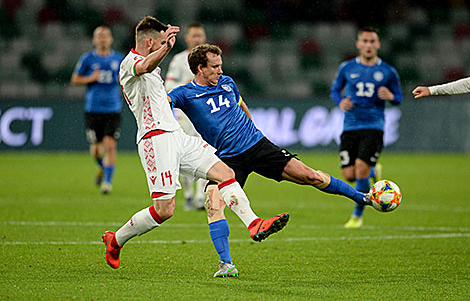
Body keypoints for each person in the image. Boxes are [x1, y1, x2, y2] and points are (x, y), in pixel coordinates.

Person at [102, 16, 289, 277]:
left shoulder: (153, 68)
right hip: (155, 139)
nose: (162, 46)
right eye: (158, 42)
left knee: (225, 173)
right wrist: (166, 48)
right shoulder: (129, 64)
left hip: (177, 135)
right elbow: (144, 65)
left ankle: (254, 223)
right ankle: (116, 240)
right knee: (164, 210)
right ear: (149, 42)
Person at [168, 44, 376, 277]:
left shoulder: (227, 82)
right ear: (200, 68)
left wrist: (250, 127)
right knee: (213, 204)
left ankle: (364, 198)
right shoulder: (184, 94)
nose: (220, 70)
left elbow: (241, 106)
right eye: (215, 66)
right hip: (226, 158)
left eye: (220, 65)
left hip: (257, 146)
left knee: (310, 175)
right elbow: (161, 105)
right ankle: (226, 265)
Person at [330, 27, 402, 228]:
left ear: (378, 44)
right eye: (365, 41)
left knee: (360, 171)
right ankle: (373, 171)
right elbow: (335, 90)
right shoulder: (347, 68)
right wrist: (340, 101)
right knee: (349, 175)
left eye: (372, 41)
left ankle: (357, 215)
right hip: (350, 126)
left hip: (373, 125)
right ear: (358, 44)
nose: (369, 45)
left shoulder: (387, 71)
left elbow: (399, 97)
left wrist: (390, 96)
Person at [71, 26, 124, 194]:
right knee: (95, 150)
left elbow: (127, 78)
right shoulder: (87, 59)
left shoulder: (119, 58)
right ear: (94, 40)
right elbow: (75, 79)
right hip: (93, 109)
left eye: (106, 36)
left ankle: (107, 183)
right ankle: (102, 168)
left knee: (110, 145)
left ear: (111, 39)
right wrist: (90, 78)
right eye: (99, 36)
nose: (103, 39)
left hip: (113, 108)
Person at [165, 23, 208, 211]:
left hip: (205, 113)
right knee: (184, 153)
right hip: (184, 114)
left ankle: (201, 196)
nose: (197, 39)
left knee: (206, 151)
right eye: (194, 36)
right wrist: (189, 85)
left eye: (200, 35)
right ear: (187, 38)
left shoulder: (211, 60)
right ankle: (189, 194)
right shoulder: (179, 60)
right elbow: (168, 87)